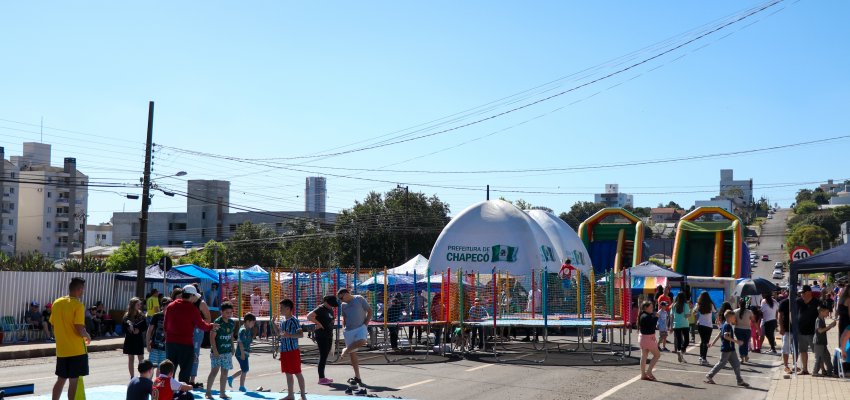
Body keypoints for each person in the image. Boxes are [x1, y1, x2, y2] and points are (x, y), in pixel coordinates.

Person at [50, 277, 92, 400]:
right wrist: (87, 335)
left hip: (62, 349)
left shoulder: (57, 303)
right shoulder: (78, 305)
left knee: (60, 379)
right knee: (73, 381)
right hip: (76, 350)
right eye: (83, 289)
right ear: (79, 289)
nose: (83, 291)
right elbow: (79, 327)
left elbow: (52, 323)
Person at [165, 284, 216, 384]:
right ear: (191, 295)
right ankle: (182, 391)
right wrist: (211, 326)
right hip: (185, 344)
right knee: (185, 370)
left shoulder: (170, 306)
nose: (195, 299)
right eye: (195, 296)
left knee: (169, 369)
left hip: (170, 343)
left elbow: (165, 324)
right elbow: (201, 325)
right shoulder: (192, 309)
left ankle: (167, 389)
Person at [337, 288, 372, 392]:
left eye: (341, 298)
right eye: (340, 299)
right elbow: (344, 317)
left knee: (363, 341)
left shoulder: (359, 299)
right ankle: (358, 377)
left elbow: (370, 311)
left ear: (346, 294)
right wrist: (343, 328)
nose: (341, 300)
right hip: (349, 330)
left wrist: (365, 324)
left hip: (361, 327)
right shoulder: (343, 305)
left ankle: (346, 350)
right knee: (353, 354)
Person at [704, 310, 750, 387]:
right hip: (727, 348)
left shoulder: (725, 324)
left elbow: (720, 334)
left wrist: (713, 343)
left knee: (736, 364)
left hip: (731, 349)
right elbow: (725, 336)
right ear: (730, 317)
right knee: (722, 363)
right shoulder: (727, 326)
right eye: (734, 317)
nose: (735, 319)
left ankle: (739, 381)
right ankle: (709, 375)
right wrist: (737, 341)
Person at [278, 298, 307, 400]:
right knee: (288, 373)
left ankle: (303, 395)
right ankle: (291, 394)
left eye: (281, 308)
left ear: (288, 308)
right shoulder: (282, 321)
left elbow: (300, 335)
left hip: (292, 351)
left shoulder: (294, 321)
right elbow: (280, 333)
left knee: (297, 373)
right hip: (284, 350)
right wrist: (273, 324)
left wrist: (289, 335)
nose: (280, 310)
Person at [307, 295, 339, 385]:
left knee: (325, 355)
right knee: (323, 356)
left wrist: (332, 321)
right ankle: (321, 378)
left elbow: (330, 318)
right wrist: (319, 324)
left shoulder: (330, 309)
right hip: (322, 335)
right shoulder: (320, 308)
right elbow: (309, 316)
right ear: (325, 302)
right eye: (330, 304)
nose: (331, 306)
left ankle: (323, 377)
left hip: (328, 334)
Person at [206, 302, 235, 400]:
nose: (229, 314)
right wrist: (215, 350)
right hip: (217, 352)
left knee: (225, 372)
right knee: (214, 371)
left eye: (230, 312)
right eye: (227, 312)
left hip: (227, 351)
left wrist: (232, 347)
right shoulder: (217, 322)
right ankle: (208, 392)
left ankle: (222, 392)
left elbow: (231, 336)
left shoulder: (231, 323)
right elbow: (212, 337)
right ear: (222, 312)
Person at [190, 283, 212, 387]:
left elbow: (208, 319)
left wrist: (198, 323)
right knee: (184, 354)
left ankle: (192, 379)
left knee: (195, 354)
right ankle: (184, 378)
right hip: (185, 330)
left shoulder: (201, 303)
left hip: (197, 331)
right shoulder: (184, 302)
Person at [796, 285, 821, 375]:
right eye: (801, 293)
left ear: (809, 293)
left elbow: (821, 315)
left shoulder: (817, 302)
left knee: (817, 352)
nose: (801, 294)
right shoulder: (798, 302)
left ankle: (821, 370)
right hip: (801, 331)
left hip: (813, 332)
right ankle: (805, 369)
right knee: (802, 350)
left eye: (803, 293)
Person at [228, 313, 256, 392]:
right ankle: (241, 386)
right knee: (245, 369)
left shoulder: (248, 329)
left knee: (244, 369)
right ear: (247, 321)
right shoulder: (243, 330)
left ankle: (231, 378)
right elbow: (240, 342)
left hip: (245, 352)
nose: (253, 324)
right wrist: (242, 353)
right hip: (241, 353)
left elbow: (249, 340)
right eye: (252, 322)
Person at [123, 297, 148, 378]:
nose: (139, 306)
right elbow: (123, 328)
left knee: (141, 357)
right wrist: (129, 329)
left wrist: (138, 330)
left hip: (138, 338)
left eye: (140, 304)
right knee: (131, 358)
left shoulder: (141, 315)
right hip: (130, 339)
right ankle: (132, 377)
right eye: (138, 304)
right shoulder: (126, 316)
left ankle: (142, 376)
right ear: (133, 305)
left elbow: (145, 326)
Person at [638, 301, 661, 381]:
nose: (652, 309)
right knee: (657, 355)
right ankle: (649, 371)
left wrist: (654, 316)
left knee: (644, 356)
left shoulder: (643, 315)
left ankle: (643, 374)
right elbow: (652, 325)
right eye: (650, 307)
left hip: (642, 338)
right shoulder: (646, 316)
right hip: (648, 338)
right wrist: (656, 317)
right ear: (645, 308)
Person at [146, 297, 171, 372]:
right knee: (151, 367)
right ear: (162, 306)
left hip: (166, 348)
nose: (169, 307)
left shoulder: (172, 317)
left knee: (161, 369)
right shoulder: (156, 316)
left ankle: (158, 380)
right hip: (155, 346)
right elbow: (149, 331)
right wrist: (148, 344)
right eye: (167, 305)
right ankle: (148, 379)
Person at [812, 304, 836, 376]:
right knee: (819, 358)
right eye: (826, 312)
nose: (828, 314)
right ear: (821, 312)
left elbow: (823, 330)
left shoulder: (822, 319)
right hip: (818, 342)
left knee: (827, 357)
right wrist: (830, 326)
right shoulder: (818, 320)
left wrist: (830, 326)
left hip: (822, 342)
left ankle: (830, 371)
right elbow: (820, 331)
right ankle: (815, 372)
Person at [777, 293, 797, 375]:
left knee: (795, 349)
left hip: (796, 330)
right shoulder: (784, 302)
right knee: (786, 348)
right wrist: (781, 327)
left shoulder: (797, 302)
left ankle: (794, 365)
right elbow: (780, 316)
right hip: (786, 329)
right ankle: (786, 366)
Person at [694, 292, 716, 366]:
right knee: (706, 342)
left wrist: (696, 317)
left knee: (702, 341)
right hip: (708, 325)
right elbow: (715, 312)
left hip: (700, 324)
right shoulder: (710, 304)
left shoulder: (699, 304)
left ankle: (701, 357)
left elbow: (694, 311)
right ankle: (704, 358)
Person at [671, 292, 690, 363]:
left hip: (676, 325)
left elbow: (672, 316)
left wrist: (671, 326)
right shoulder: (685, 305)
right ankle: (682, 350)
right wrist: (690, 313)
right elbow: (686, 315)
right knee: (686, 340)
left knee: (679, 340)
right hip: (684, 324)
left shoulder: (674, 305)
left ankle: (679, 352)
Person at [733, 298, 753, 363]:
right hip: (747, 329)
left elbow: (733, 322)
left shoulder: (735, 311)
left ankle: (742, 357)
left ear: (739, 304)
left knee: (740, 343)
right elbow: (753, 320)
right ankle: (746, 355)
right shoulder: (749, 312)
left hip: (738, 329)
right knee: (746, 343)